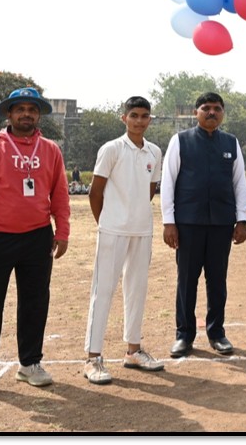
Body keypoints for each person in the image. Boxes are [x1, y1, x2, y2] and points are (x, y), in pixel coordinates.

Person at [0, 87, 70, 398]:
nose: (26, 114)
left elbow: (59, 195)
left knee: (35, 302)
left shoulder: (50, 150)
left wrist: (62, 231)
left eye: (32, 109)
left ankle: (30, 364)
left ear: (39, 115)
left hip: (37, 237)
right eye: (19, 109)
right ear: (8, 114)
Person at [82, 96, 165, 385]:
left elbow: (150, 190)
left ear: (149, 119)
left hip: (142, 230)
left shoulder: (154, 151)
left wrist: (133, 215)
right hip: (112, 230)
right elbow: (96, 192)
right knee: (102, 290)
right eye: (134, 115)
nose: (139, 121)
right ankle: (93, 358)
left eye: (144, 116)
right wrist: (106, 223)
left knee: (137, 290)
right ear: (124, 118)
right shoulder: (112, 149)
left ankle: (133, 350)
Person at [161, 92, 246, 359]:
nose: (211, 112)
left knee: (217, 281)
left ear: (223, 113)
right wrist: (169, 222)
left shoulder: (231, 143)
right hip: (188, 223)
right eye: (206, 108)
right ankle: (184, 335)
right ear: (196, 112)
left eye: (217, 108)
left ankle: (216, 333)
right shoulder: (180, 141)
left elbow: (239, 184)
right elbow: (168, 182)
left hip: (222, 223)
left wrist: (241, 219)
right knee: (186, 281)